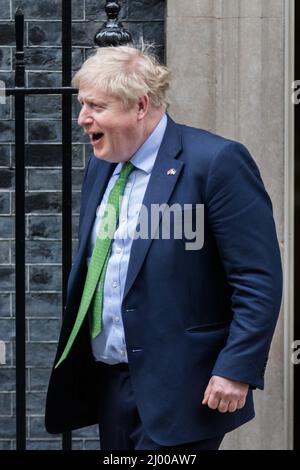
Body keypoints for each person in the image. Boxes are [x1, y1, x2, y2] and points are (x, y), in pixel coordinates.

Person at [45, 45, 282, 450]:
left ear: (139, 105)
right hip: (111, 383)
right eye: (83, 105)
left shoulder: (216, 161)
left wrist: (236, 368)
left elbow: (256, 278)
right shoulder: (101, 166)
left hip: (185, 388)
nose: (83, 119)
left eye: (96, 106)